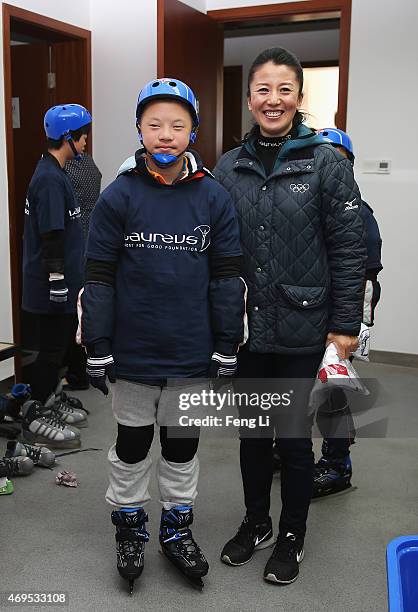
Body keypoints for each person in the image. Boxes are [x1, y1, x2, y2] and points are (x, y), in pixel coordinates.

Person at [79, 78, 246, 592]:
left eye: (177, 124)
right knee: (131, 446)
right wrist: (98, 349)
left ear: (194, 129)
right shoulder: (119, 196)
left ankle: (177, 531)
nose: (166, 135)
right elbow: (99, 279)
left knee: (180, 448)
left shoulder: (213, 197)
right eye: (154, 125)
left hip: (191, 353)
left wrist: (224, 345)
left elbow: (227, 278)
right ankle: (128, 528)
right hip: (134, 354)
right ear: (139, 130)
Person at [214, 47, 367, 585]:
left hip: (305, 327)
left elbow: (350, 248)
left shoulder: (325, 162)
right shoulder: (228, 166)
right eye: (263, 89)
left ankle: (292, 534)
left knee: (295, 441)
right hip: (250, 332)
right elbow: (213, 249)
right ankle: (256, 521)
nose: (273, 99)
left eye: (284, 89)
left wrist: (346, 325)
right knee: (254, 435)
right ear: (250, 98)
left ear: (299, 97)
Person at [311, 127, 382, 498]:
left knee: (331, 390)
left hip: (342, 317)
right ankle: (285, 450)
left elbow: (366, 278)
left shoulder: (360, 212)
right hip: (307, 311)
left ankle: (337, 464)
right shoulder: (308, 205)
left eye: (339, 162)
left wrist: (357, 325)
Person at [21, 104, 92, 447]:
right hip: (52, 286)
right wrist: (58, 282)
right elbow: (51, 237)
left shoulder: (55, 170)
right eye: (82, 134)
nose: (86, 140)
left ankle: (50, 399)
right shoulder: (49, 179)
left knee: (60, 347)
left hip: (61, 283)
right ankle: (36, 414)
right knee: (50, 352)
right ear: (68, 137)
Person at [63, 153, 102, 391]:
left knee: (73, 309)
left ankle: (76, 372)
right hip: (92, 233)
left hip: (76, 236)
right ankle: (88, 366)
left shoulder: (64, 168)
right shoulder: (89, 163)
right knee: (87, 305)